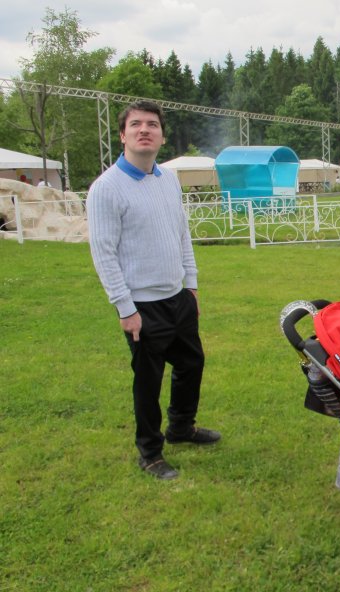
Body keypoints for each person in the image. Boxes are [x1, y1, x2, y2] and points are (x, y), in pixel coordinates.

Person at [88, 99, 220, 481]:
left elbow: (181, 234)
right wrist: (125, 308)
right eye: (136, 125)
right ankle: (149, 452)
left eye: (152, 124)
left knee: (191, 364)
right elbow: (103, 253)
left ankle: (181, 427)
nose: (144, 130)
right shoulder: (106, 189)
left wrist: (191, 286)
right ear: (122, 135)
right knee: (148, 381)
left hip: (178, 298)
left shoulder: (168, 180)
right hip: (142, 306)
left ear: (162, 136)